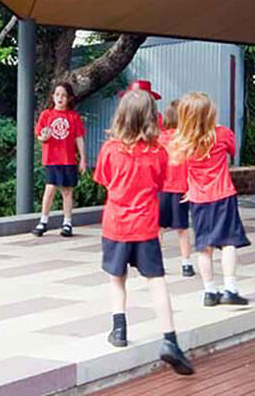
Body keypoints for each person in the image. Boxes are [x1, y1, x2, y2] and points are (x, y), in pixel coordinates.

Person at [91, 89, 193, 375]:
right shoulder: (159, 152)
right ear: (151, 117)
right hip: (146, 225)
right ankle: (170, 339)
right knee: (156, 281)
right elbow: (160, 183)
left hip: (116, 224)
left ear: (121, 116)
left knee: (117, 279)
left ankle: (119, 329)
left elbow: (105, 180)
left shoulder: (110, 149)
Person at [172, 92, 250, 307]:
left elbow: (184, 169)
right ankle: (230, 288)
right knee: (228, 243)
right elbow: (233, 151)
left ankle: (209, 291)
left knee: (204, 247)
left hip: (198, 199)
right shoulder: (223, 134)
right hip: (223, 195)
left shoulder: (182, 142)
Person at [31, 83, 86, 237]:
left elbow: (79, 138)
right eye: (57, 95)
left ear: (69, 98)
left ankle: (67, 223)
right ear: (53, 96)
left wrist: (83, 159)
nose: (60, 98)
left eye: (63, 95)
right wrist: (44, 137)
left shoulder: (74, 116)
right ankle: (43, 221)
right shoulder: (46, 115)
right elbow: (40, 136)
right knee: (49, 189)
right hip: (51, 159)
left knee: (67, 191)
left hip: (69, 159)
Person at [157, 100, 194, 277]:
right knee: (182, 228)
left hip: (162, 188)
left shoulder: (159, 139)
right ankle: (186, 263)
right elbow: (191, 166)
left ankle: (155, 260)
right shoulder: (186, 140)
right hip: (181, 188)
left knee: (159, 227)